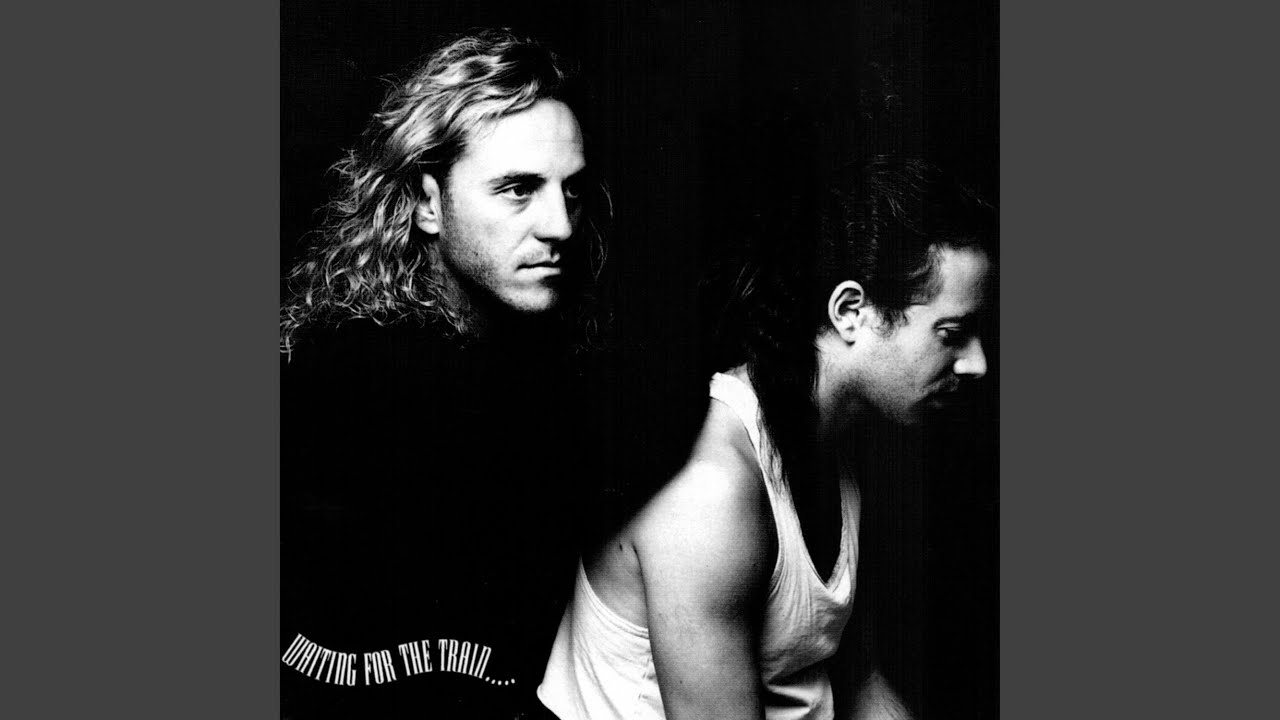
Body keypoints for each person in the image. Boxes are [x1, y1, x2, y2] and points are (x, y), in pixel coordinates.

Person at [538, 156, 995, 720]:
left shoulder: (841, 439)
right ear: (851, 312)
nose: (977, 363)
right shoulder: (715, 491)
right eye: (952, 333)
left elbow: (859, 681)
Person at [280, 29, 608, 720]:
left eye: (572, 191)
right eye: (518, 189)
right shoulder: (354, 377)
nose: (560, 226)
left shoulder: (542, 374)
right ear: (428, 202)